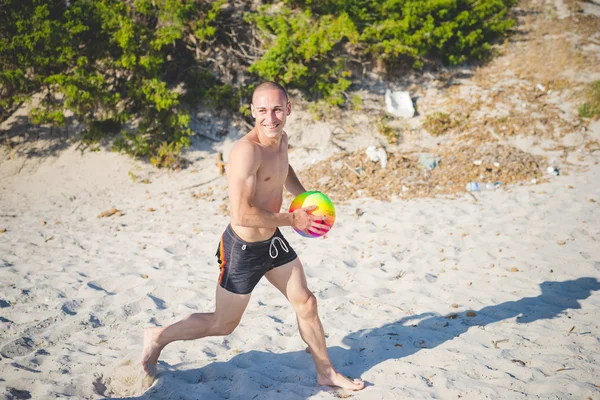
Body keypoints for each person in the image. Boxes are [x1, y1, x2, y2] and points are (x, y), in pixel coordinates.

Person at [141, 81, 365, 391]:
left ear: (288, 109)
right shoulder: (246, 151)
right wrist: (291, 219)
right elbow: (241, 214)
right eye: (262, 111)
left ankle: (325, 372)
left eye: (276, 110)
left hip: (272, 240)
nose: (270, 118)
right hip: (243, 248)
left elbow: (282, 170)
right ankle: (158, 336)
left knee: (307, 302)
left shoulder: (281, 140)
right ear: (252, 112)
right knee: (223, 324)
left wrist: (307, 202)